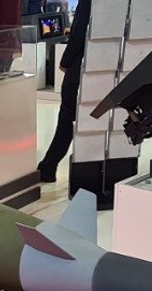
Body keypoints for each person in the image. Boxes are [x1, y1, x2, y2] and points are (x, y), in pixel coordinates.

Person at [37, 0, 92, 182]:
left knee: (67, 116)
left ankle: (48, 167)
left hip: (85, 65)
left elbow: (79, 33)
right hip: (117, 65)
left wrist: (65, 62)